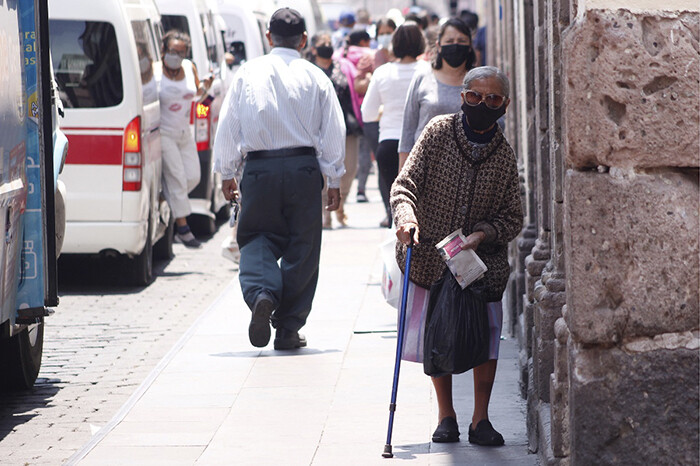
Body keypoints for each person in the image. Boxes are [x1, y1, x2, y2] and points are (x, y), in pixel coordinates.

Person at [391, 66, 523, 446]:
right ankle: (445, 415)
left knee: (488, 337)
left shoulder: (503, 156)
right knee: (438, 332)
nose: (483, 104)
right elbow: (405, 185)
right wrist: (407, 219)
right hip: (432, 253)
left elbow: (512, 217)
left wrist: (482, 234)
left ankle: (481, 419)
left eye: (493, 99)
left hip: (480, 263)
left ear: (505, 105)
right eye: (474, 97)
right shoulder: (436, 132)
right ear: (462, 97)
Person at [213, 8, 346, 350]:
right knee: (303, 246)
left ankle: (261, 293)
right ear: (304, 40)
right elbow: (333, 130)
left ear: (269, 37)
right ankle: (288, 329)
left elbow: (228, 125)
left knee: (256, 236)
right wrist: (334, 179)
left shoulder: (248, 73)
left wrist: (226, 172)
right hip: (304, 169)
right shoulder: (316, 76)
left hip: (260, 170)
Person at [361, 21, 427, 228]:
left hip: (389, 145)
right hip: (422, 146)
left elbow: (367, 113)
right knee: (424, 211)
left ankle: (396, 257)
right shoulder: (428, 71)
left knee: (395, 213)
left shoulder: (382, 73)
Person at [156, 30, 213, 248]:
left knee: (193, 177)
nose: (176, 56)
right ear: (163, 50)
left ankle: (164, 197)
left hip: (184, 132)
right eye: (172, 51)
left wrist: (206, 87)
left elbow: (197, 93)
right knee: (178, 177)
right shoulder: (154, 72)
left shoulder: (189, 67)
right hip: (164, 133)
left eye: (181, 52)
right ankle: (183, 228)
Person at [398, 17, 476, 171]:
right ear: (439, 46)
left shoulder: (479, 82)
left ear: (469, 46)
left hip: (469, 171)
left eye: (461, 40)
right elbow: (408, 130)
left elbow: (498, 125)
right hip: (425, 169)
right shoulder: (423, 77)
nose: (455, 45)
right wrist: (402, 174)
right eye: (450, 40)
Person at [309, 32, 362, 228]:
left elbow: (355, 88)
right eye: (323, 43)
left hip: (345, 125)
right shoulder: (309, 70)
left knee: (350, 167)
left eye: (329, 43)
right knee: (323, 172)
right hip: (318, 127)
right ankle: (326, 214)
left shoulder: (343, 66)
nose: (328, 46)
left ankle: (340, 202)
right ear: (313, 49)